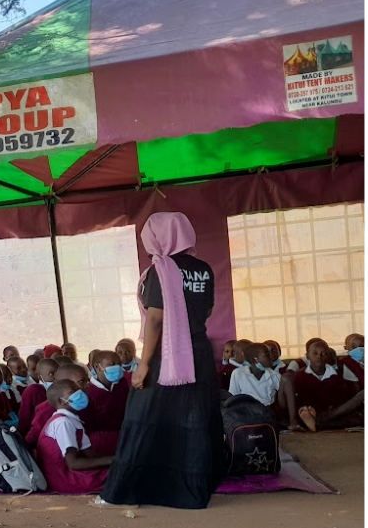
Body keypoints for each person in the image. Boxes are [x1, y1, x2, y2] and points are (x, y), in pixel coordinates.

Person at [100, 212, 223, 510]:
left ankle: (129, 490)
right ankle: (193, 491)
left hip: (164, 355)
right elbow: (206, 312)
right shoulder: (204, 269)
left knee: (144, 418)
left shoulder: (160, 270)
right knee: (195, 419)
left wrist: (143, 365)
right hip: (198, 354)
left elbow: (155, 320)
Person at [36, 380, 113, 494]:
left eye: (78, 389)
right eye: (73, 391)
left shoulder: (74, 421)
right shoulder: (62, 422)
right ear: (61, 401)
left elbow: (90, 455)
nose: (80, 392)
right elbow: (73, 463)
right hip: (64, 478)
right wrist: (113, 460)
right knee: (120, 476)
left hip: (72, 473)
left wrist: (115, 460)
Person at [282, 339, 364, 431]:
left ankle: (316, 424)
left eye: (324, 354)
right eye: (315, 353)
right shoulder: (298, 376)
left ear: (328, 356)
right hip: (309, 411)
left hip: (334, 412)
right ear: (307, 356)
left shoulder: (340, 372)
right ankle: (315, 422)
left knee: (359, 408)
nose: (319, 357)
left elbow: (352, 393)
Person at [79, 351, 129, 457]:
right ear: (97, 366)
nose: (117, 367)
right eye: (112, 364)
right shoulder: (88, 392)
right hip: (101, 438)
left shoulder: (123, 384)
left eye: (119, 364)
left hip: (124, 432)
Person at [16, 357, 58, 439]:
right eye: (51, 374)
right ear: (40, 376)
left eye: (58, 373)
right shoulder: (33, 390)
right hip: (35, 436)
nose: (56, 377)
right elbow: (24, 418)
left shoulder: (61, 390)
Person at [227, 344, 281, 408]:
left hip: (266, 412)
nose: (271, 356)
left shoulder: (274, 375)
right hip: (246, 412)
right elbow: (233, 397)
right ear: (256, 360)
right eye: (267, 355)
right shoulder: (238, 373)